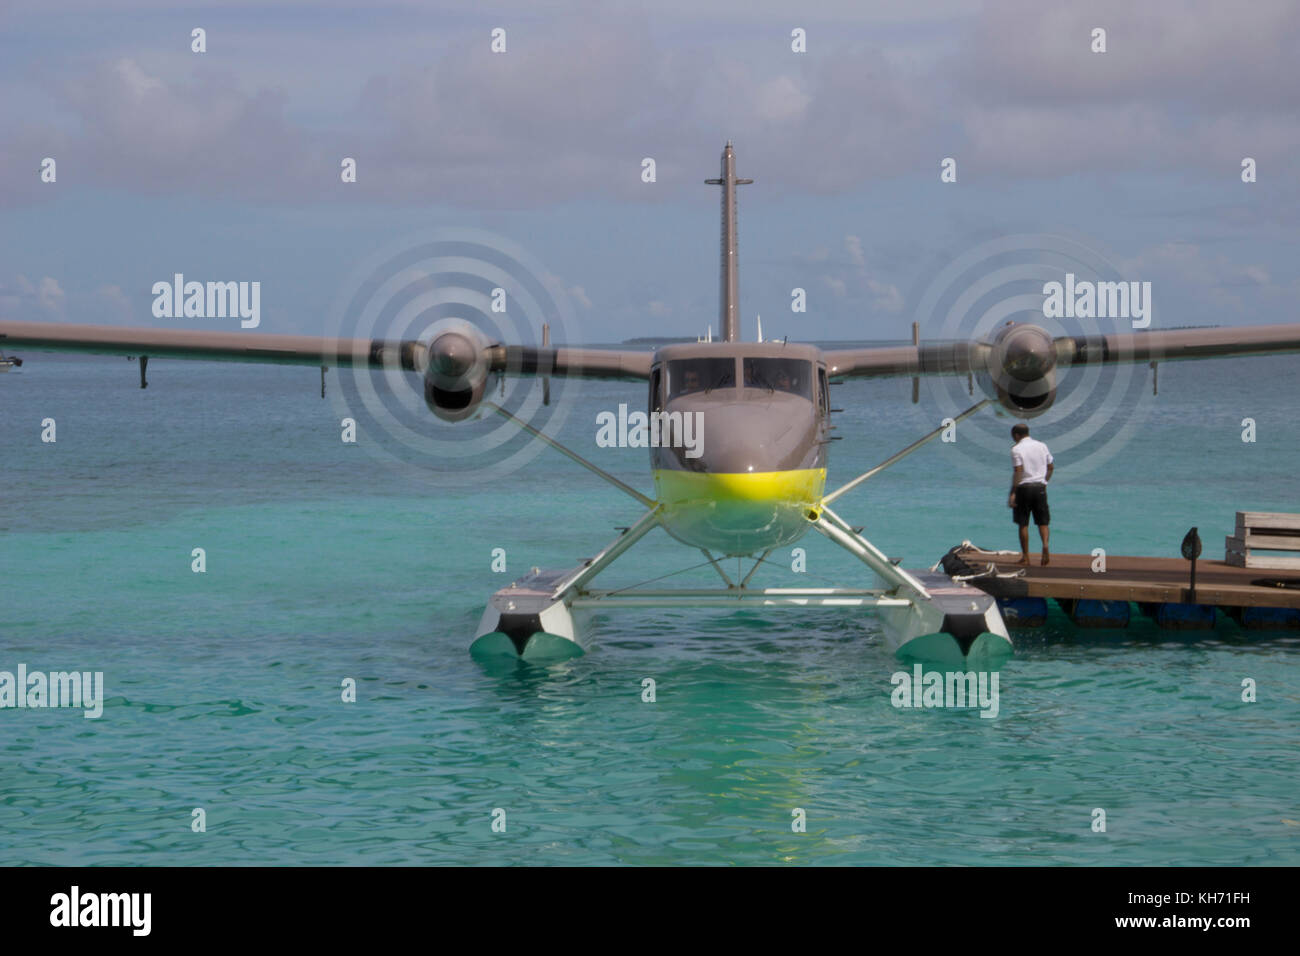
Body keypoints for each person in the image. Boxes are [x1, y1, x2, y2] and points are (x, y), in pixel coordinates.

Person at [1007, 423, 1053, 566]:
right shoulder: (1042, 446)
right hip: (1040, 487)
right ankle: (1045, 545)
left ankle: (1026, 557)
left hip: (1024, 488)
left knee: (1023, 523)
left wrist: (1013, 492)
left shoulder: (1016, 449)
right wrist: (1044, 482)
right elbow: (1051, 467)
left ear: (1016, 435)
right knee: (1043, 522)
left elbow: (1019, 471)